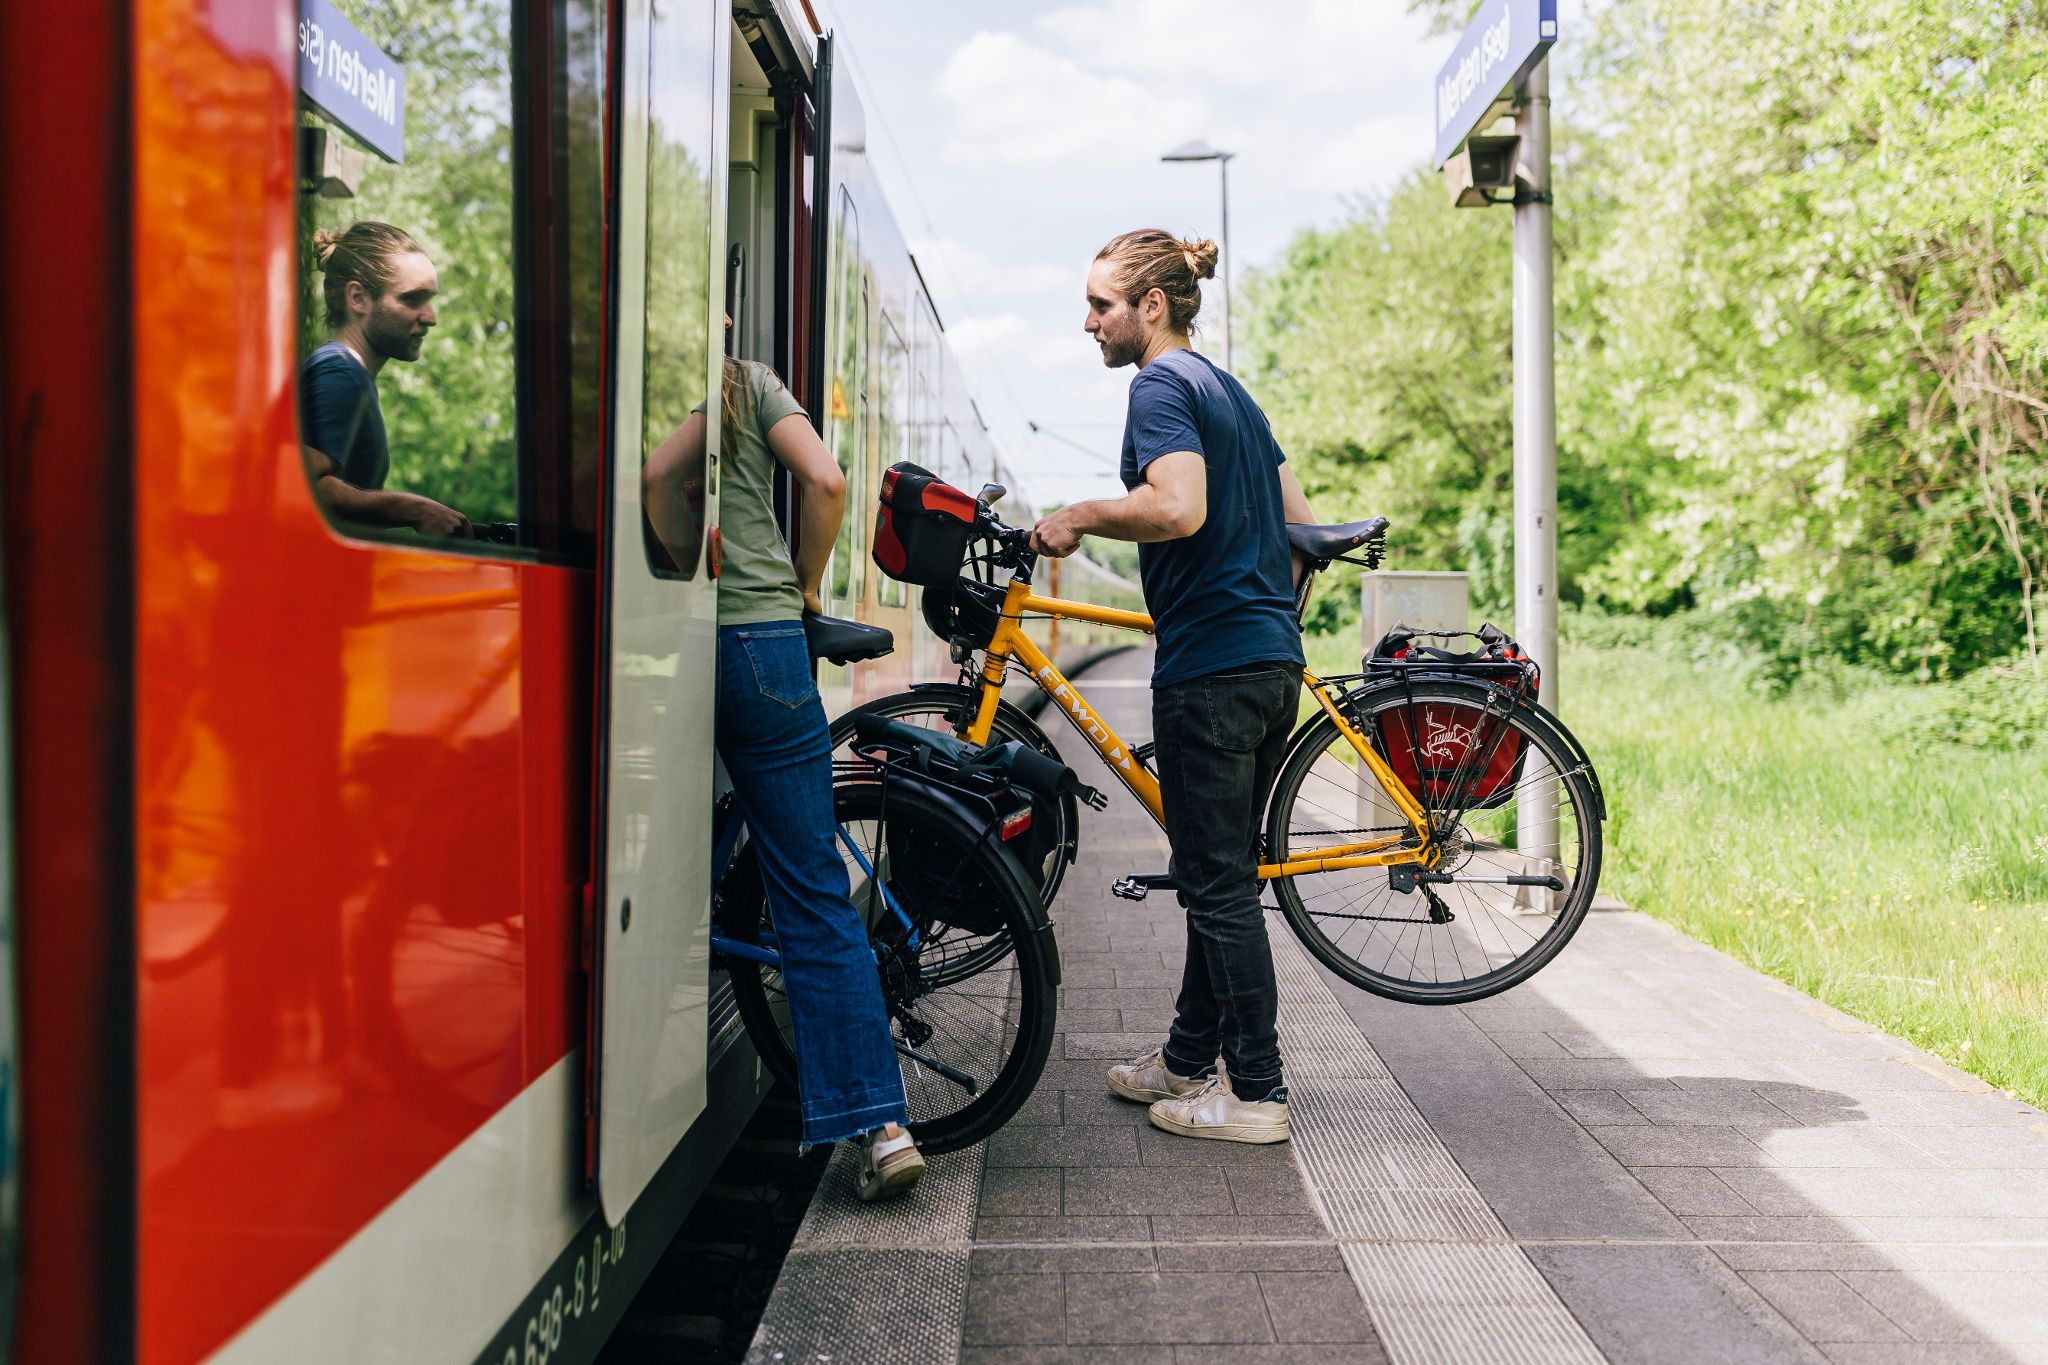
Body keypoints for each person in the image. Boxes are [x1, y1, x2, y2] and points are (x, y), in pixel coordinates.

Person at [1030, 229, 1315, 1145]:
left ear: (1152, 306)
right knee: (1216, 867)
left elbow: (1178, 505)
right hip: (1272, 663)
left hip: (1212, 671)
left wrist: (1079, 514)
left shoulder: (1159, 386)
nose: (1089, 322)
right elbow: (1300, 522)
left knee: (1218, 885)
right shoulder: (1226, 389)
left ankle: (1258, 1093)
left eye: (1101, 305)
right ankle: (1190, 1058)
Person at [645, 353, 924, 1200]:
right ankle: (882, 1126)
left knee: (650, 867)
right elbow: (829, 482)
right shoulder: (742, 380)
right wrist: (803, 585)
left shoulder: (643, 376)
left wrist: (680, 554)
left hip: (682, 646)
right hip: (766, 646)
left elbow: (658, 475)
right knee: (810, 891)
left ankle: (627, 1078)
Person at [300, 222, 468, 537]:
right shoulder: (340, 374)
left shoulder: (347, 373)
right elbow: (305, 486)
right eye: (413, 299)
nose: (431, 317)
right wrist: (415, 510)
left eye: (429, 299)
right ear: (358, 298)